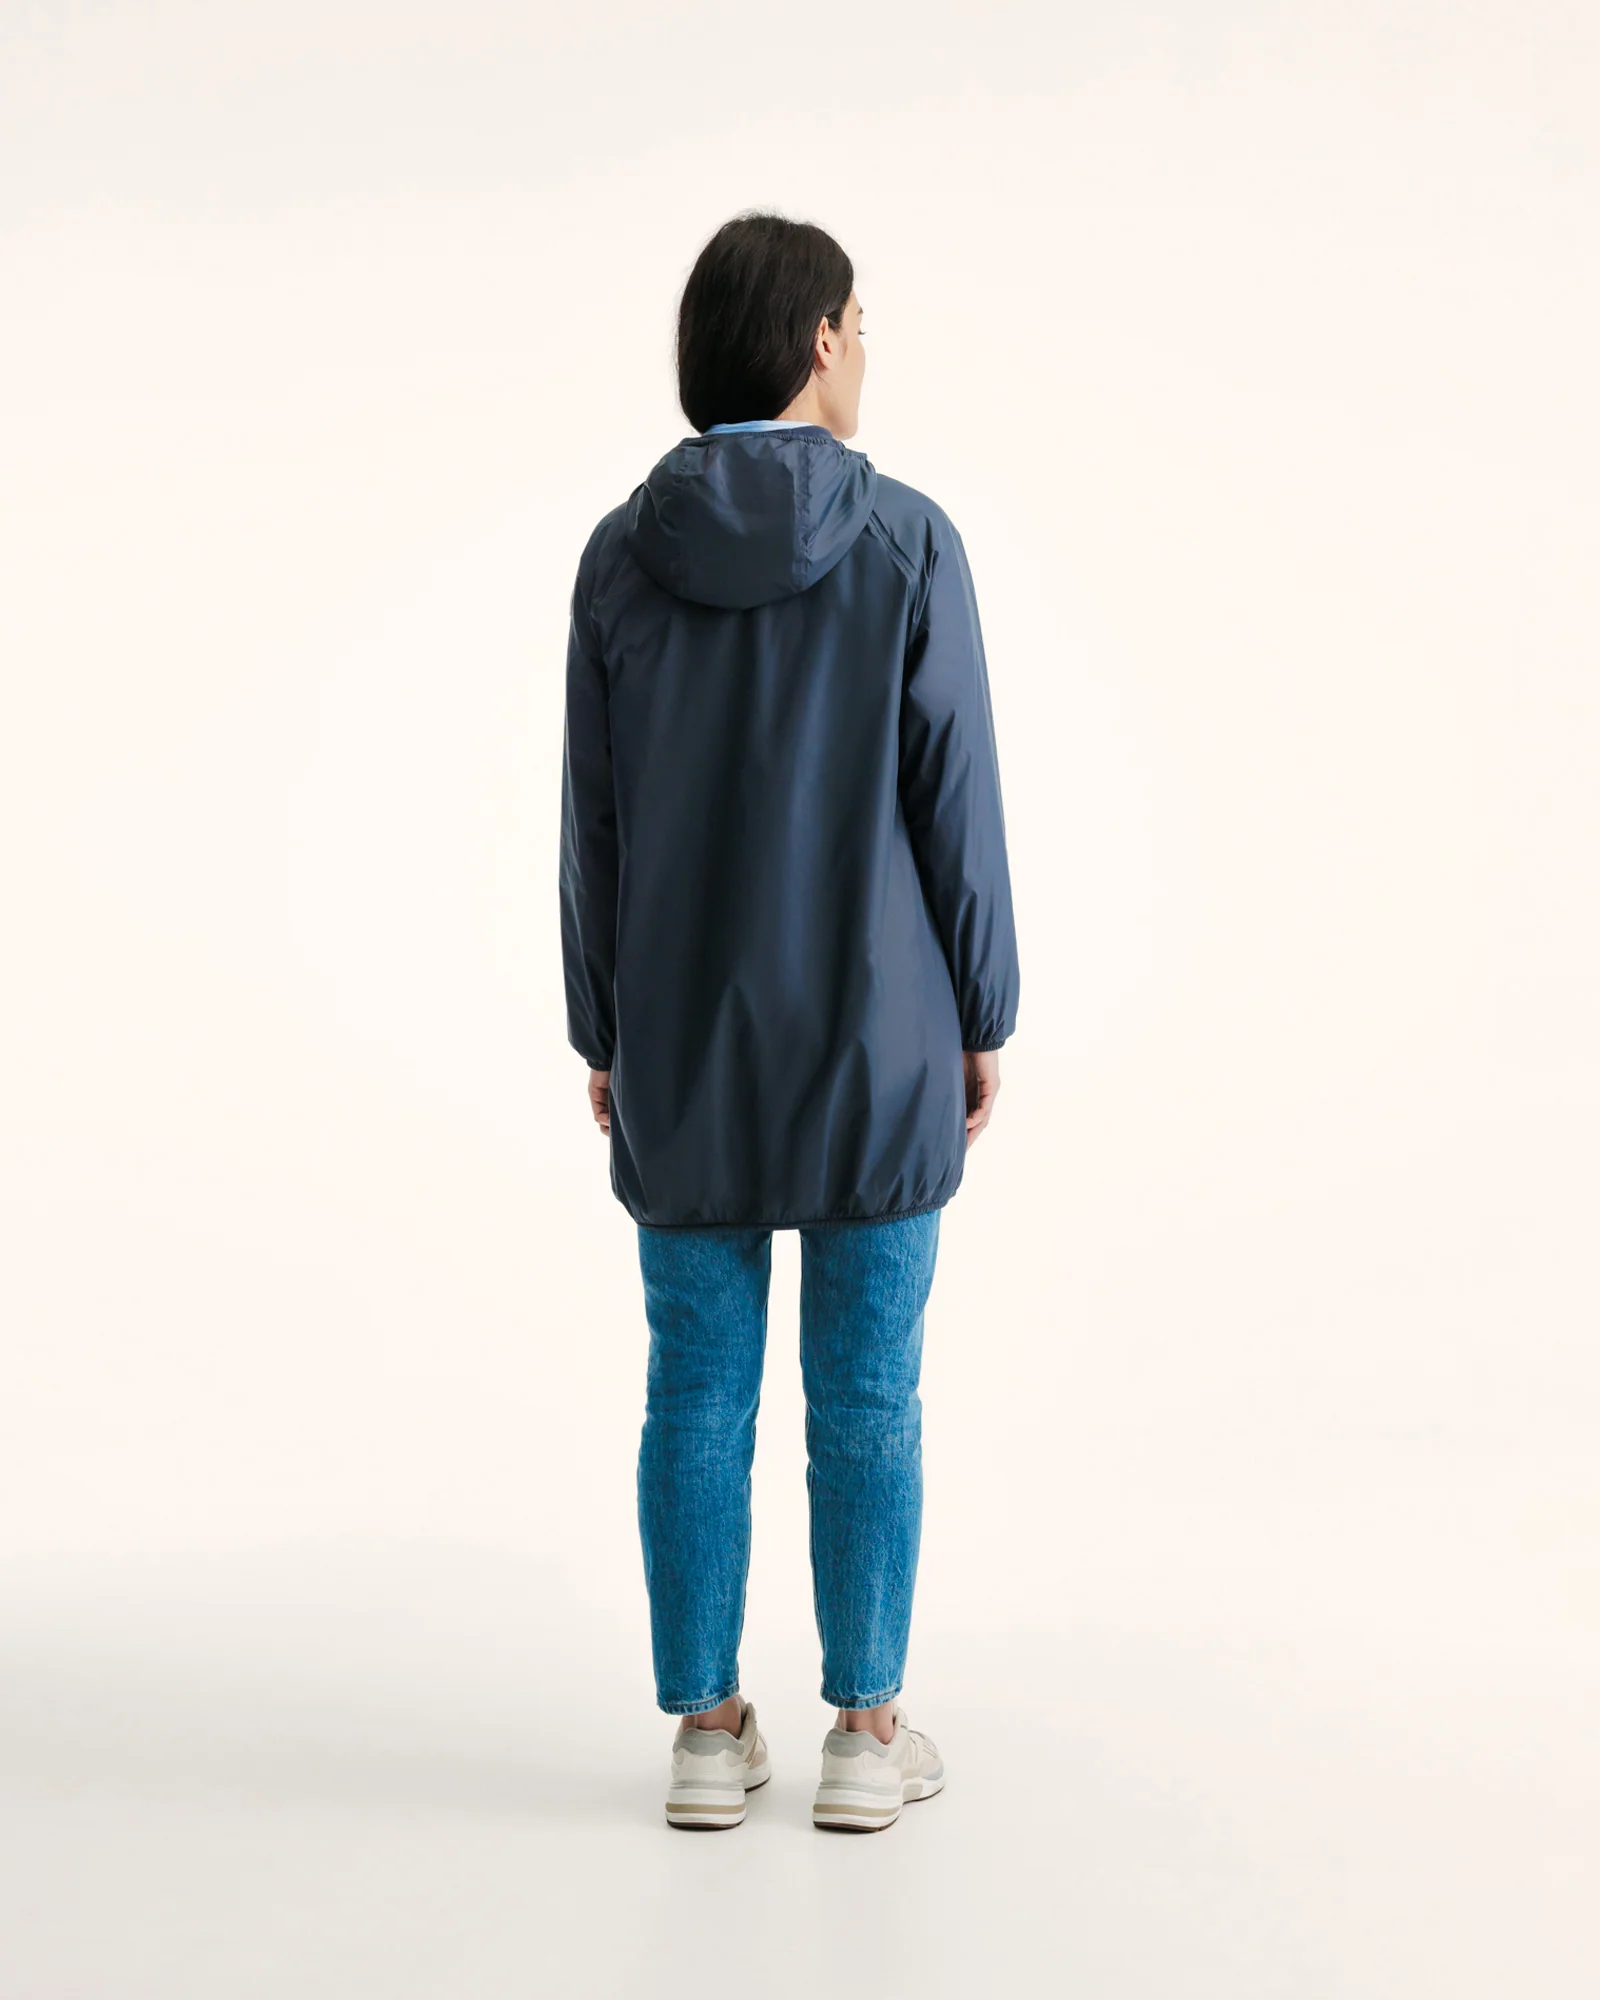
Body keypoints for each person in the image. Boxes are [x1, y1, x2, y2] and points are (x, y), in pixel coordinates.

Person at [558, 210, 1021, 1832]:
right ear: (819, 341)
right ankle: (866, 1736)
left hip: (686, 1040)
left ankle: (706, 1733)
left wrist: (603, 1029)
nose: (866, 351)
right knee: (868, 1397)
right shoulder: (909, 542)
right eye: (860, 324)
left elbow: (595, 824)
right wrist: (985, 1008)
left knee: (695, 1391)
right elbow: (956, 804)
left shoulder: (618, 557)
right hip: (881, 1038)